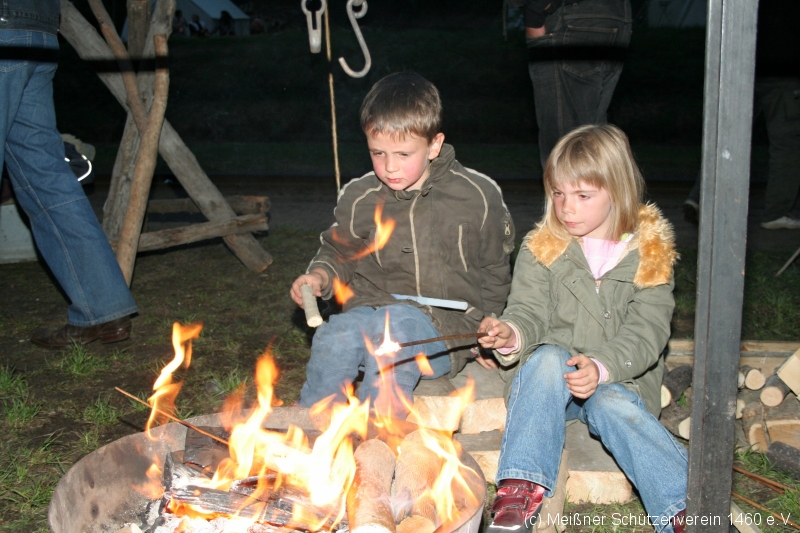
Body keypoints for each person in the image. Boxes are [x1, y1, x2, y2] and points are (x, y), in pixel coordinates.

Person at [477, 124, 687, 533]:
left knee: (611, 404)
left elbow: (647, 331)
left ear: (618, 191)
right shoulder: (543, 248)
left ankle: (685, 510)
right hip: (548, 387)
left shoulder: (649, 254)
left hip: (620, 380)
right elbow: (528, 311)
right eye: (558, 193)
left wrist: (602, 366)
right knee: (547, 357)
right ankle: (520, 487)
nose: (566, 208)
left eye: (582, 195)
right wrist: (511, 334)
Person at [290, 72, 515, 417]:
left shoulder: (477, 197)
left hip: (447, 328)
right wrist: (320, 276)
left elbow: (495, 271)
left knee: (395, 328)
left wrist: (489, 332)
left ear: (434, 145)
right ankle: (311, 428)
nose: (390, 167)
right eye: (377, 153)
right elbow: (339, 252)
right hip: (370, 310)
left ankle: (378, 433)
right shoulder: (362, 196)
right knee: (336, 334)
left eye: (403, 153)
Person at [1, 0, 138, 349]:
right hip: (39, 29)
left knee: (46, 177)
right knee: (47, 178)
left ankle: (101, 308)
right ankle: (102, 309)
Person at [683, 0, 800, 229]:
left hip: (742, 63)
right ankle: (776, 212)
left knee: (727, 136)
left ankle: (700, 197)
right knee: (786, 144)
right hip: (782, 67)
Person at [515, 0, 632, 170]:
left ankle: (571, 187)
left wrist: (534, 14)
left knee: (566, 148)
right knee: (593, 140)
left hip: (570, 18)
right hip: (615, 16)